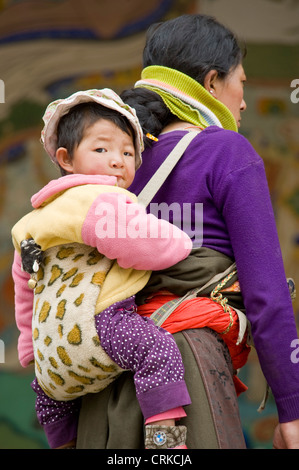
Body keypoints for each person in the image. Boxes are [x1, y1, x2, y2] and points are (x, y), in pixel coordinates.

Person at [76, 14, 299, 449]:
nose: (245, 102)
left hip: (103, 395)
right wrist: (292, 405)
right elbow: (267, 295)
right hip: (186, 385)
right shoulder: (227, 153)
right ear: (212, 83)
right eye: (241, 83)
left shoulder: (111, 164)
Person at [11, 88, 196, 449]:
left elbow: (24, 285)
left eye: (128, 152)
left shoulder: (31, 221)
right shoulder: (100, 200)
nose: (118, 160)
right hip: (100, 327)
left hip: (51, 357)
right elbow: (140, 244)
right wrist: (183, 243)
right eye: (102, 149)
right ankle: (165, 443)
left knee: (48, 398)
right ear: (66, 158)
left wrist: (28, 347)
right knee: (158, 352)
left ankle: (65, 445)